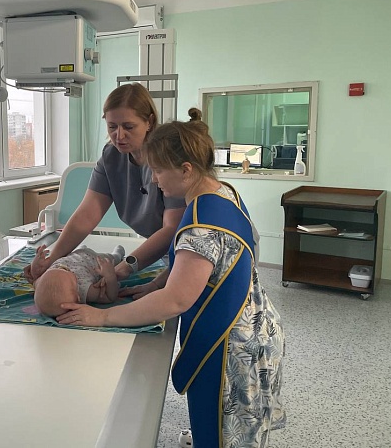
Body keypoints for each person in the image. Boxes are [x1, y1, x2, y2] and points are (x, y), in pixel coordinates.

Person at [57, 109, 286, 448]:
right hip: (257, 324)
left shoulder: (200, 226)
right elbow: (208, 264)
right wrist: (157, 282)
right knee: (227, 432)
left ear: (186, 170)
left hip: (229, 348)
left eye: (158, 170)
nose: (153, 180)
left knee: (223, 435)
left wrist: (102, 317)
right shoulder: (222, 194)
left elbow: (176, 300)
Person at [25, 83, 186, 283]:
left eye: (128, 127)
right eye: (112, 127)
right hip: (161, 254)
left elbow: (172, 228)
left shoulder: (170, 158)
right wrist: (52, 258)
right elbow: (86, 216)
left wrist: (125, 267)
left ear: (149, 122)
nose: (119, 135)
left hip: (184, 252)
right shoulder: (111, 157)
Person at [32, 244, 125, 317]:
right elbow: (109, 297)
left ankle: (81, 247)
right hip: (95, 260)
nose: (64, 268)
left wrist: (35, 270)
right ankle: (118, 254)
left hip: (73, 254)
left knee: (78, 248)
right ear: (78, 296)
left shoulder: (43, 282)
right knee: (112, 259)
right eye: (67, 272)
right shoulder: (85, 290)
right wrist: (110, 276)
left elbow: (35, 280)